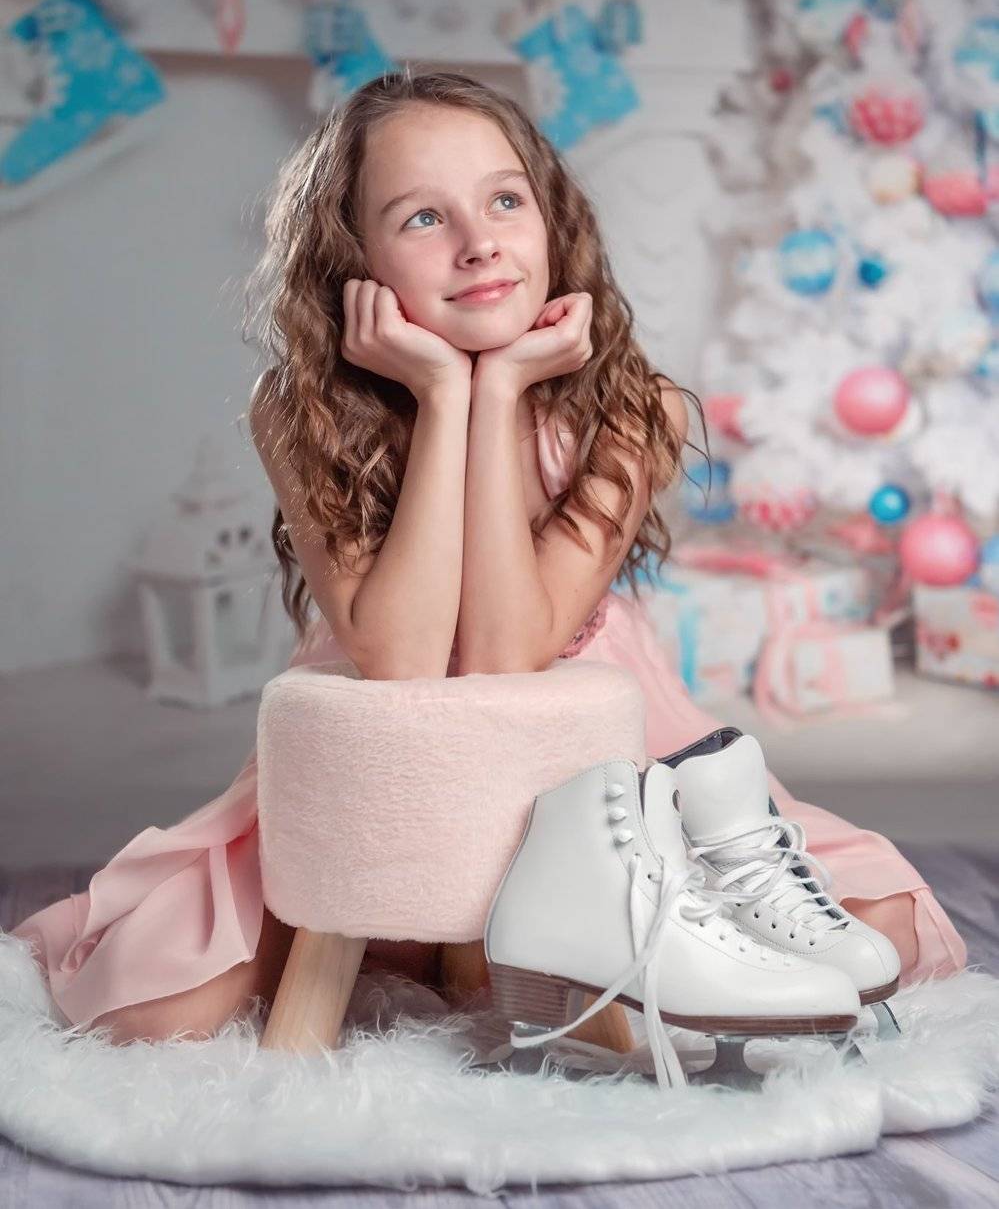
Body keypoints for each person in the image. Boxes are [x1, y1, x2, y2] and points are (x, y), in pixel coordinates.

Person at [11, 70, 967, 1046]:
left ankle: (526, 939)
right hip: (380, 757)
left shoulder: (634, 408)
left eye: (505, 201)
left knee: (879, 928)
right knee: (150, 1009)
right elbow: (401, 659)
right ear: (354, 259)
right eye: (423, 218)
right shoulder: (301, 409)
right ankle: (427, 940)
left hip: (589, 737)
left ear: (552, 220)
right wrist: (444, 395)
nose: (479, 244)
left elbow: (512, 653)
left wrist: (504, 387)